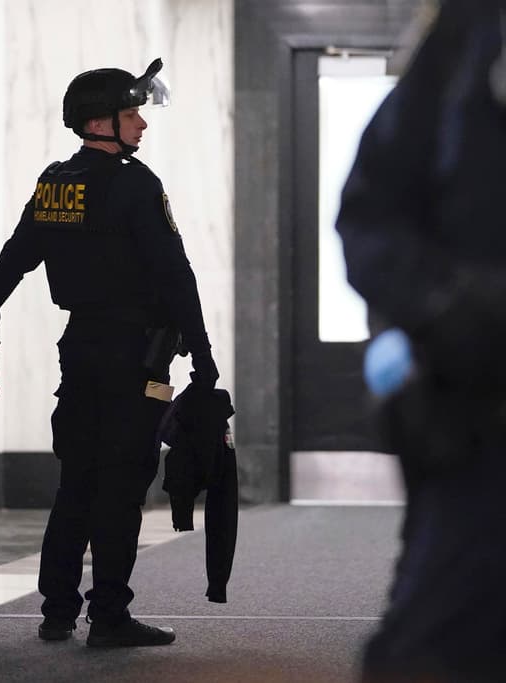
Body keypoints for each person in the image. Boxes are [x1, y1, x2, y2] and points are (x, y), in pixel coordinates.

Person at [0, 58, 220, 647]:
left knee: (76, 482)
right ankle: (108, 615)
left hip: (80, 350)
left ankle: (57, 612)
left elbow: (14, 258)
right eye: (133, 112)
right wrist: (205, 358)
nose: (142, 123)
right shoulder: (137, 185)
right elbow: (175, 276)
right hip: (135, 356)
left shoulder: (55, 181)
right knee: (121, 487)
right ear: (101, 121)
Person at [337, 2, 506, 681]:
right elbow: (369, 220)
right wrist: (449, 305)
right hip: (477, 417)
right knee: (435, 647)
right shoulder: (465, 43)